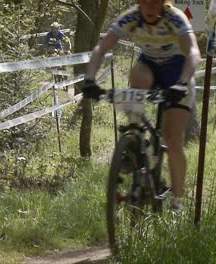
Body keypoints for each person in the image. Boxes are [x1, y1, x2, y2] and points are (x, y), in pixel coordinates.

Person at [83, 0, 201, 210]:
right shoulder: (131, 17)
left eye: (157, 2)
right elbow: (101, 47)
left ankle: (177, 200)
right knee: (137, 77)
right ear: (139, 2)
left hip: (178, 71)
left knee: (173, 140)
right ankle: (135, 139)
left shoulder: (174, 17)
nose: (151, 7)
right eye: (146, 1)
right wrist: (90, 79)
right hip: (149, 65)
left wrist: (182, 84)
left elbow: (193, 52)